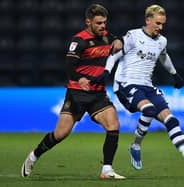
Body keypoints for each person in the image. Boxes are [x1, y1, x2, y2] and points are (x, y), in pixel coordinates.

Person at [96, 4, 184, 174]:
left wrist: (175, 74)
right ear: (148, 20)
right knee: (149, 110)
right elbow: (114, 54)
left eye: (163, 24)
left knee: (171, 120)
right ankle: (136, 145)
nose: (160, 28)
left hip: (147, 85)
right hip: (126, 83)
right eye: (158, 23)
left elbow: (164, 57)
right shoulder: (132, 35)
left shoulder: (162, 41)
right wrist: (107, 72)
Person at [21, 4, 126, 179]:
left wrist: (120, 40)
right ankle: (34, 155)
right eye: (98, 23)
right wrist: (80, 78)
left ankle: (106, 170)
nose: (102, 26)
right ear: (88, 22)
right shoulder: (78, 41)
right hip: (77, 93)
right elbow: (69, 67)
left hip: (98, 93)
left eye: (104, 23)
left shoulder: (108, 37)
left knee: (113, 125)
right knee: (61, 134)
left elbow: (121, 40)